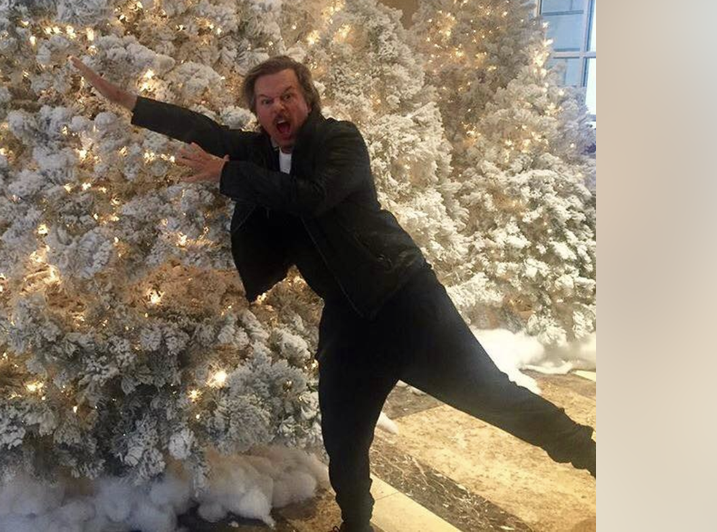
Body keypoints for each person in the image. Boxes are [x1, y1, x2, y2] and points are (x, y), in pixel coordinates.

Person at [69, 55, 595, 532]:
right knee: (343, 439)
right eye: (266, 100)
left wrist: (230, 175)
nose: (279, 107)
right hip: (349, 320)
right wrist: (126, 100)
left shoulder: (341, 140)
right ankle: (357, 525)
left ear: (307, 99)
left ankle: (595, 456)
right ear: (257, 111)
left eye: (288, 96)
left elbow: (314, 198)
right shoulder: (260, 150)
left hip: (407, 303)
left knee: (496, 399)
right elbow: (199, 128)